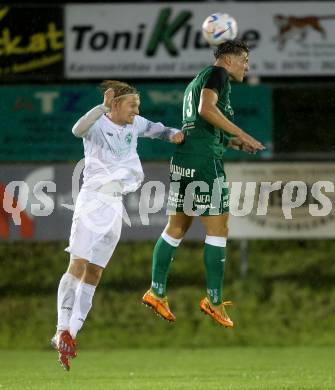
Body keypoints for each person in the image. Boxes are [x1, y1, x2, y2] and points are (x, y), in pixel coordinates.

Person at [51, 80, 184, 371]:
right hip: (92, 202)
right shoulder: (97, 125)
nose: (137, 110)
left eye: (138, 104)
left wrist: (175, 135)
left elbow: (158, 129)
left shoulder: (135, 125)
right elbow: (76, 130)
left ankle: (70, 335)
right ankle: (61, 327)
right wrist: (101, 106)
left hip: (114, 206)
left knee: (95, 271)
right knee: (78, 263)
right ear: (115, 105)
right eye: (132, 105)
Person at [142, 40, 265, 328]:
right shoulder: (218, 75)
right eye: (244, 59)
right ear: (229, 59)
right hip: (204, 163)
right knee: (219, 228)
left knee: (176, 228)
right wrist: (242, 133)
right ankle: (214, 300)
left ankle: (156, 291)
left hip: (185, 159)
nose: (247, 65)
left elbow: (201, 128)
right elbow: (205, 110)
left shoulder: (198, 79)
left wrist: (233, 143)